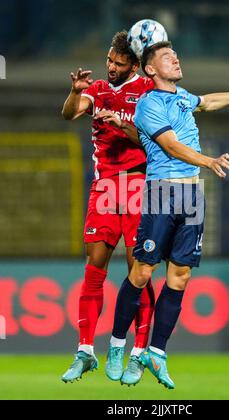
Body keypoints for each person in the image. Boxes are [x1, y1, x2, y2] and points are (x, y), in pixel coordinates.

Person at [105, 41, 229, 389]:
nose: (176, 58)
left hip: (191, 194)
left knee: (181, 274)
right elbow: (170, 145)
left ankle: (156, 352)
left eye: (175, 54)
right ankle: (116, 345)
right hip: (162, 192)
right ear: (151, 69)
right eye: (168, 57)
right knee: (142, 271)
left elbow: (209, 101)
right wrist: (208, 161)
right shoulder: (148, 104)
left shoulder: (182, 97)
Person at [61, 31, 155, 384]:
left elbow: (153, 138)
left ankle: (139, 352)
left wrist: (123, 124)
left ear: (133, 64)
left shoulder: (146, 91)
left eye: (118, 63)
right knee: (94, 267)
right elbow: (69, 114)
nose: (111, 67)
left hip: (138, 186)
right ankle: (85, 350)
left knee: (138, 271)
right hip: (104, 189)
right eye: (109, 60)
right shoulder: (97, 89)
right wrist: (74, 92)